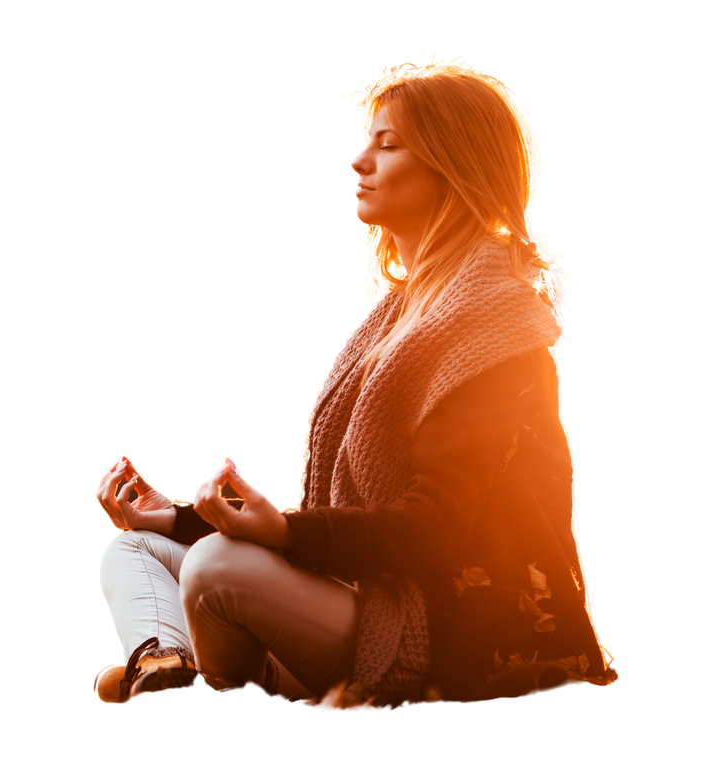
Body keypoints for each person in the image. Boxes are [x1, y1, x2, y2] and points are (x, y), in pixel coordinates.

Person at [91, 54, 619, 711]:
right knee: (135, 543)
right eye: (363, 143)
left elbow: (435, 532)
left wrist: (280, 533)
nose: (357, 162)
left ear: (452, 164)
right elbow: (340, 521)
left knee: (213, 568)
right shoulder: (398, 315)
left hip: (435, 631)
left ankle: (212, 666)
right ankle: (164, 660)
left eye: (387, 145)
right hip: (346, 597)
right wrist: (177, 515)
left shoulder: (494, 325)